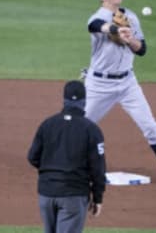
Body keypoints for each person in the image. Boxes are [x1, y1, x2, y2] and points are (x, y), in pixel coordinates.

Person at [83, 0, 156, 185]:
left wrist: (130, 40)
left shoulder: (130, 17)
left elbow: (142, 49)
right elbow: (95, 26)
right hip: (99, 85)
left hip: (127, 83)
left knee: (150, 126)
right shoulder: (98, 17)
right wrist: (116, 30)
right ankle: (62, 163)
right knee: (81, 125)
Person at [28, 80, 106, 233]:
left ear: (64, 100)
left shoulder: (47, 124)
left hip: (46, 194)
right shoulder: (91, 130)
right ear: (84, 102)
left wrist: (50, 171)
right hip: (73, 195)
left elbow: (32, 157)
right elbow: (98, 169)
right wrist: (98, 198)